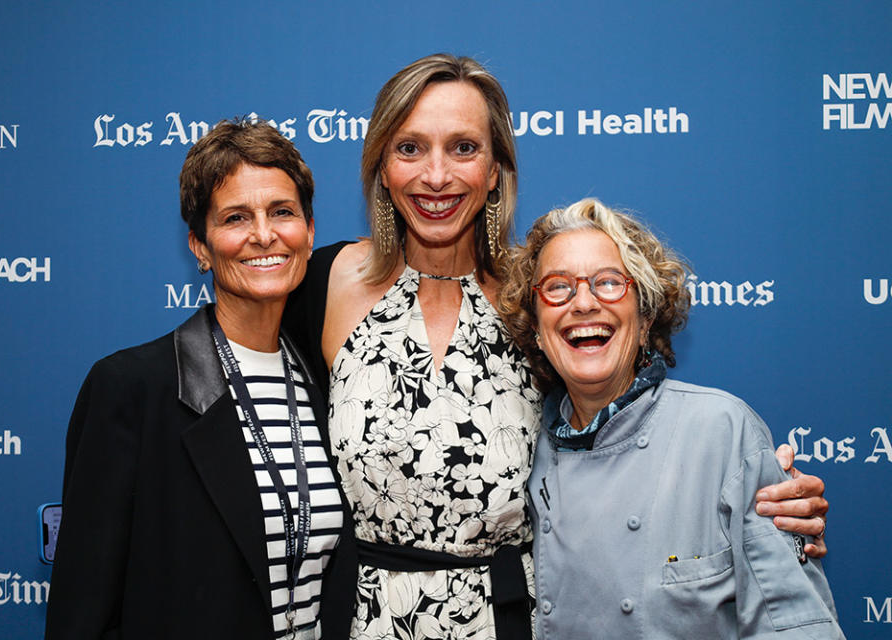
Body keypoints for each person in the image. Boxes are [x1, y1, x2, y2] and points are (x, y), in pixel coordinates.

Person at [285, 53, 829, 639]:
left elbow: (631, 433)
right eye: (410, 148)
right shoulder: (326, 281)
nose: (436, 176)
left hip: (510, 620)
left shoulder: (541, 297)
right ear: (381, 167)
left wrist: (757, 504)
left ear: (496, 169)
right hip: (360, 619)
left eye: (464, 148)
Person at [46, 119, 356, 640]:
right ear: (199, 246)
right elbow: (83, 612)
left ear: (310, 232)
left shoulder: (334, 383)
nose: (263, 234)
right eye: (236, 217)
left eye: (283, 212)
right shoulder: (130, 390)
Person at [497, 198, 843, 638]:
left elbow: (793, 625)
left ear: (645, 320)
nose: (582, 302)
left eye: (608, 282)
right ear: (537, 331)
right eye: (557, 286)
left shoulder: (721, 431)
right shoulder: (518, 452)